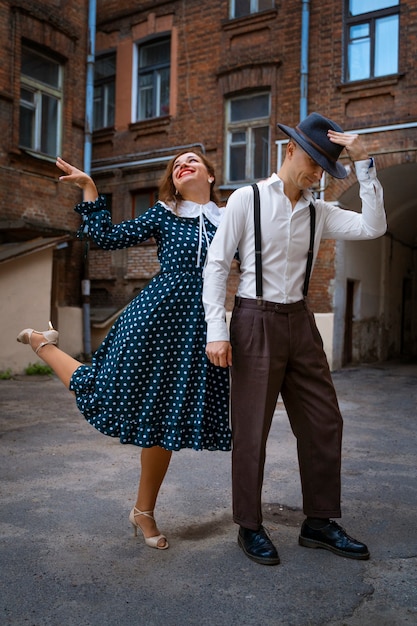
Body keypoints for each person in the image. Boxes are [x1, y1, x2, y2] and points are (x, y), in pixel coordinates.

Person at [17, 150, 231, 550]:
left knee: (166, 420)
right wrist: (89, 188)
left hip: (200, 328)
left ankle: (143, 511)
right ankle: (42, 345)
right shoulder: (164, 213)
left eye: (192, 160)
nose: (182, 165)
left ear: (211, 175)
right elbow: (106, 238)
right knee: (104, 386)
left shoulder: (230, 217)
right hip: (154, 319)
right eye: (176, 165)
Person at [203, 112, 386, 566]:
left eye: (325, 166)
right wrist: (217, 330)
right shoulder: (247, 199)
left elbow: (373, 227)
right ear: (289, 150)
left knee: (325, 421)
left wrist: (364, 166)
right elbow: (217, 265)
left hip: (300, 323)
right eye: (313, 160)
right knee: (251, 431)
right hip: (253, 321)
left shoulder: (319, 210)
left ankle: (319, 523)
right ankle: (249, 524)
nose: (316, 172)